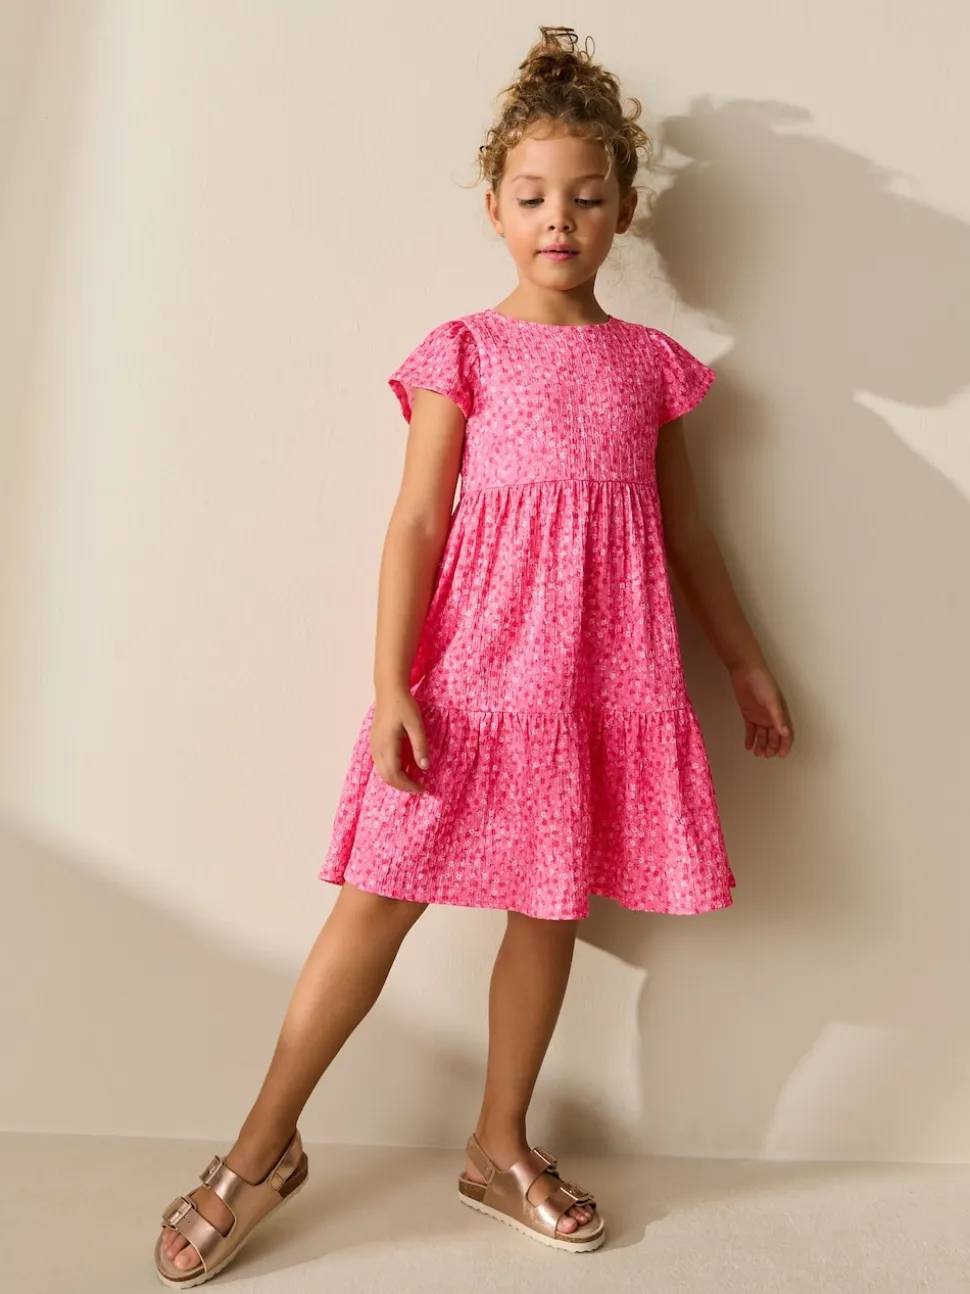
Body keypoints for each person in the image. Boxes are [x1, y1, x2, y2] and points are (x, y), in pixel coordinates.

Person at [154, 24, 794, 1287]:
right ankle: (260, 1147)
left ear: (624, 212)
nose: (560, 219)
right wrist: (391, 681)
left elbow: (686, 533)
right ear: (495, 207)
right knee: (376, 898)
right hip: (473, 677)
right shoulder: (464, 351)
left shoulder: (651, 367)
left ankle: (499, 1146)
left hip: (596, 683)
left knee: (548, 906)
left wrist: (741, 660)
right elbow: (416, 523)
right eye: (533, 196)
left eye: (587, 197)